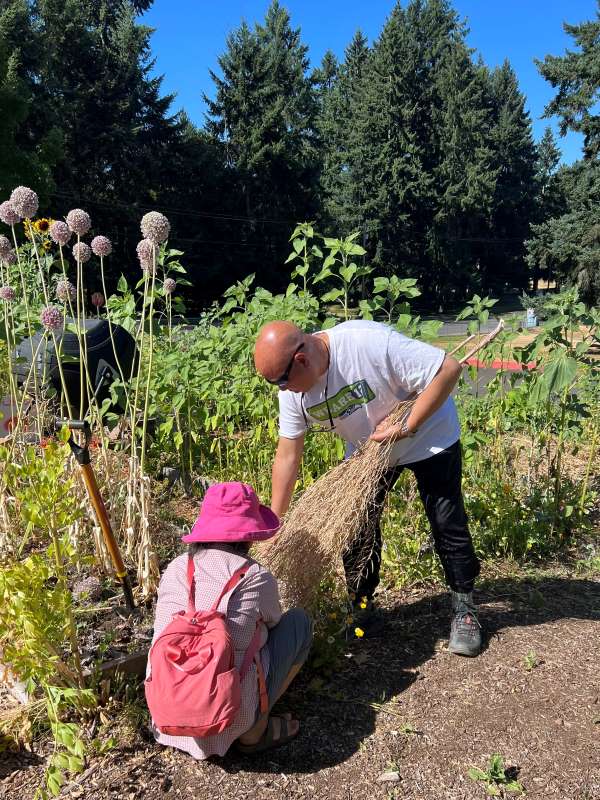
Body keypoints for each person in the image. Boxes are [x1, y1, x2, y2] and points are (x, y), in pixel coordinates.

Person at [254, 319, 481, 657]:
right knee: (356, 526)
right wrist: (275, 522)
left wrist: (408, 424)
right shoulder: (292, 390)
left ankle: (465, 609)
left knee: (446, 520)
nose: (283, 390)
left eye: (284, 381)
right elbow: (288, 456)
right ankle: (363, 607)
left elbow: (447, 369)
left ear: (301, 360)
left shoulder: (368, 344)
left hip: (430, 436)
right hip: (370, 452)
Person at [148, 481, 313, 758]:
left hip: (168, 716)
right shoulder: (254, 577)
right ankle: (254, 729)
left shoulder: (176, 568)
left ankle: (189, 720)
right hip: (232, 716)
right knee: (298, 624)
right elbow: (274, 624)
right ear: (249, 535)